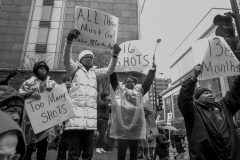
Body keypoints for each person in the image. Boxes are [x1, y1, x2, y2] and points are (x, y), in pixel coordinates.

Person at [56, 29, 121, 160]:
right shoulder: (74, 69)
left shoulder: (95, 73)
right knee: (74, 153)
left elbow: (109, 70)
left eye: (91, 57)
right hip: (75, 121)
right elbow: (66, 58)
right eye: (87, 57)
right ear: (80, 58)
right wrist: (69, 41)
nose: (90, 58)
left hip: (90, 122)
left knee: (88, 154)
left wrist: (114, 55)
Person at [178, 64, 240, 160]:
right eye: (206, 93)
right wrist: (193, 77)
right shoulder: (193, 112)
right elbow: (184, 99)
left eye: (211, 92)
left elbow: (236, 92)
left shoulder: (223, 106)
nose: (210, 94)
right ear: (197, 99)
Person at [109, 63, 156, 160]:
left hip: (135, 128)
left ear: (135, 84)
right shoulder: (119, 91)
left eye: (131, 82)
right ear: (124, 83)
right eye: (127, 82)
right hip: (122, 127)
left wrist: (152, 71)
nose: (129, 83)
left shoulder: (139, 92)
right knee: (121, 151)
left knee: (134, 151)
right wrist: (112, 67)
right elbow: (113, 80)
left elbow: (147, 83)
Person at [19, 61, 58, 160]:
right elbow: (20, 94)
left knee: (42, 146)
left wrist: (52, 92)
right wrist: (30, 94)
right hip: (30, 120)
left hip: (45, 120)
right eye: (41, 68)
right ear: (36, 70)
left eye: (45, 68)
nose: (43, 70)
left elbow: (61, 95)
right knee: (28, 145)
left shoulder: (51, 83)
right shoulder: (28, 82)